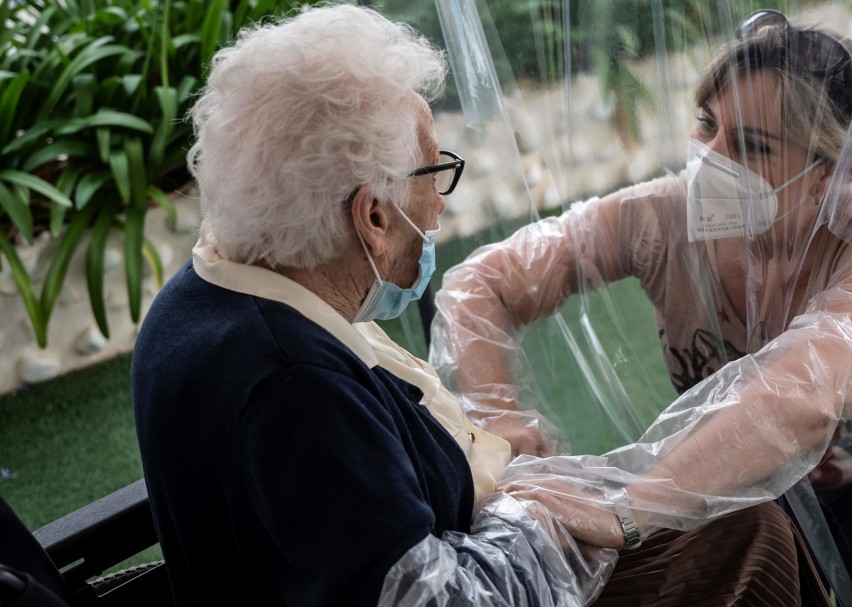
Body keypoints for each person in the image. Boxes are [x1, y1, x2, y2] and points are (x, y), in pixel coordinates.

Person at [432, 9, 852, 607]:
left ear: (822, 174)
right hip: (752, 472)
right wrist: (493, 415)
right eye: (707, 125)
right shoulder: (659, 219)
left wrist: (629, 505)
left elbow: (809, 392)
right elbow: (481, 282)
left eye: (751, 145)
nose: (712, 159)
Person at [131, 5, 617, 605]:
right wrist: (534, 510)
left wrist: (479, 457)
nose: (439, 206)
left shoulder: (214, 290)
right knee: (739, 535)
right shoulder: (293, 383)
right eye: (434, 173)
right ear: (376, 216)